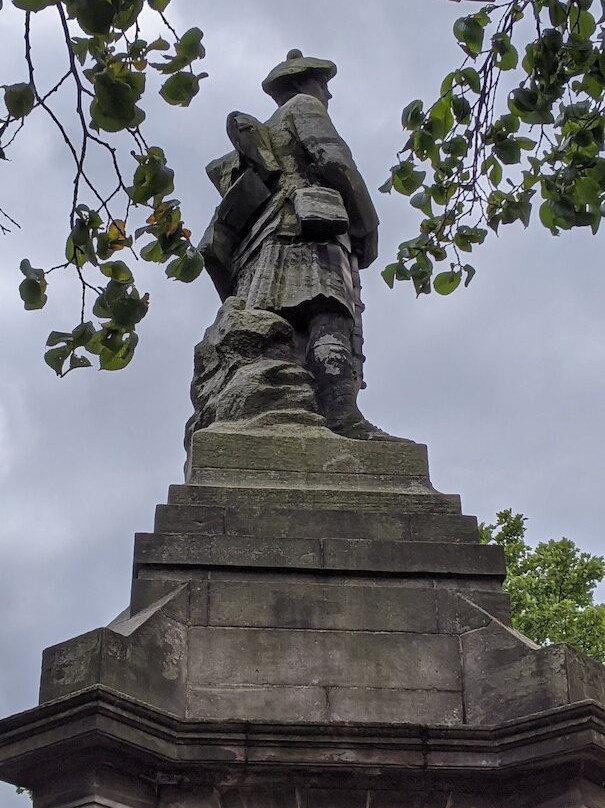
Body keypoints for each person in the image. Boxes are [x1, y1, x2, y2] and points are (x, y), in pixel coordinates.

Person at [201, 50, 382, 439]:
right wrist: (368, 224)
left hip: (261, 246)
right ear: (301, 84)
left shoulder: (259, 138)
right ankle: (342, 417)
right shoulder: (304, 106)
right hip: (306, 229)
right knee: (328, 315)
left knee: (282, 333)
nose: (328, 95)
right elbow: (335, 161)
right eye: (323, 85)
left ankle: (300, 413)